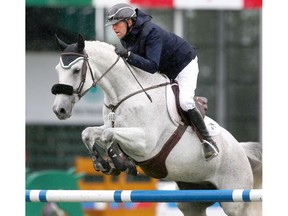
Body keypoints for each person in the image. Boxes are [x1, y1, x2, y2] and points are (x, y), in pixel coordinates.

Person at [105, 3, 219, 161]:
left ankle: (208, 141)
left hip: (184, 65)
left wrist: (129, 55)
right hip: (165, 70)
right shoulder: (126, 36)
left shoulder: (150, 32)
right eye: (112, 25)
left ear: (129, 22)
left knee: (185, 102)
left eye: (117, 24)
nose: (114, 28)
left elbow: (152, 66)